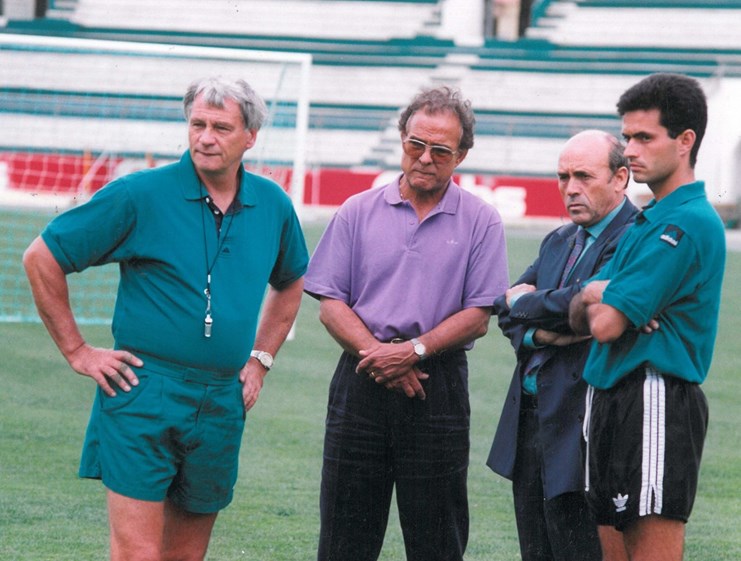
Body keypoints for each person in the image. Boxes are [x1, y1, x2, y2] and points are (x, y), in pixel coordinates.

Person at [22, 76, 309, 561]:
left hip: (222, 398)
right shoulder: (139, 194)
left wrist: (260, 360)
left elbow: (291, 281)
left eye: (220, 127)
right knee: (137, 554)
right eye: (197, 124)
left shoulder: (273, 205)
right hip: (142, 390)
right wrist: (77, 350)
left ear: (250, 137)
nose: (205, 137)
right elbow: (42, 256)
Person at [304, 86, 509, 561]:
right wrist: (380, 356)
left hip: (436, 385)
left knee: (437, 538)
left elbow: (479, 316)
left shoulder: (482, 221)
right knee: (343, 536)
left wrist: (412, 351)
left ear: (461, 154)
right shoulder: (357, 210)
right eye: (415, 144)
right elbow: (329, 301)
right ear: (401, 138)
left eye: (441, 150)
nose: (425, 158)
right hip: (360, 378)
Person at [569, 73, 726, 561]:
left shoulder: (686, 221)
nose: (629, 151)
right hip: (613, 393)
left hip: (654, 396)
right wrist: (597, 291)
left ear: (685, 142)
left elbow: (603, 325)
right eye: (627, 137)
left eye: (644, 138)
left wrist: (599, 298)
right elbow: (579, 310)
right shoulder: (646, 219)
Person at [487, 129, 638, 561]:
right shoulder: (558, 240)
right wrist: (542, 330)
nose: (570, 188)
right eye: (562, 176)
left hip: (585, 426)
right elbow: (504, 307)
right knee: (536, 551)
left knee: (580, 550)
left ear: (620, 178)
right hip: (531, 421)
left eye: (584, 176)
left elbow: (590, 307)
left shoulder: (634, 240)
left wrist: (528, 305)